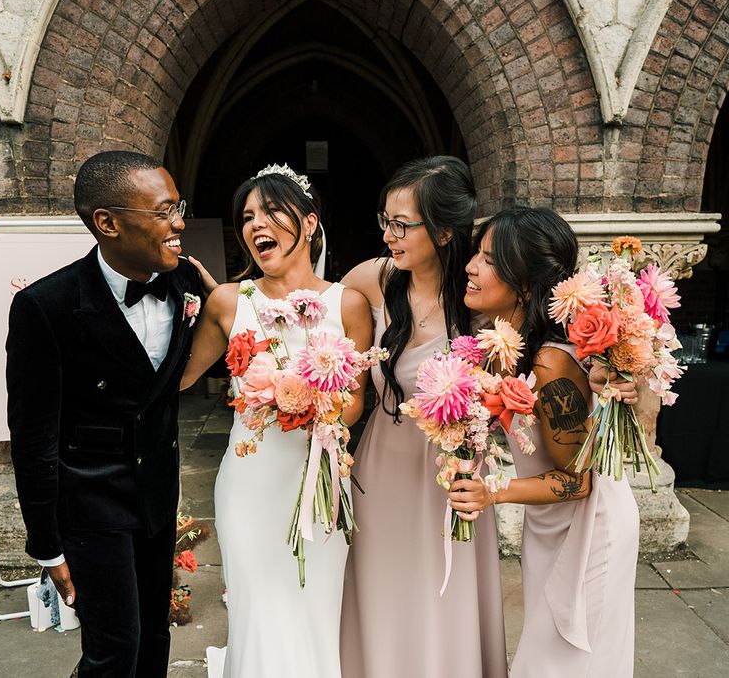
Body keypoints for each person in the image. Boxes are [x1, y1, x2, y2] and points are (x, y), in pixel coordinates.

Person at [6, 151, 203, 677]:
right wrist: (47, 548)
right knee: (115, 649)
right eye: (163, 211)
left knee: (154, 637)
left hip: (157, 499)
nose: (179, 222)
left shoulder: (187, 285)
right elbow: (32, 439)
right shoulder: (45, 307)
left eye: (177, 206)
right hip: (90, 506)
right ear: (108, 223)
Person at [180, 164, 372, 677]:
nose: (255, 224)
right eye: (247, 217)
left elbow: (355, 401)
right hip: (249, 482)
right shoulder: (228, 301)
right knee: (257, 607)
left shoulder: (347, 304)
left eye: (270, 211)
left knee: (316, 607)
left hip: (321, 484)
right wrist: (177, 305)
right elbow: (179, 378)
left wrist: (317, 407)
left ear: (309, 224)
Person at [449, 206, 638, 677]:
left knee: (566, 662)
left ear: (527, 284)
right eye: (477, 253)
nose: (471, 266)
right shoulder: (507, 346)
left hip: (588, 526)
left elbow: (578, 483)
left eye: (489, 260)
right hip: (549, 521)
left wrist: (492, 493)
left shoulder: (551, 364)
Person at [339, 156, 509, 678]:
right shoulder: (373, 278)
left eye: (402, 224)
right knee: (382, 586)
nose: (389, 235)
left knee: (443, 590)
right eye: (385, 221)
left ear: (442, 231)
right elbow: (313, 312)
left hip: (449, 478)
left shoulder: (482, 299)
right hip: (381, 467)